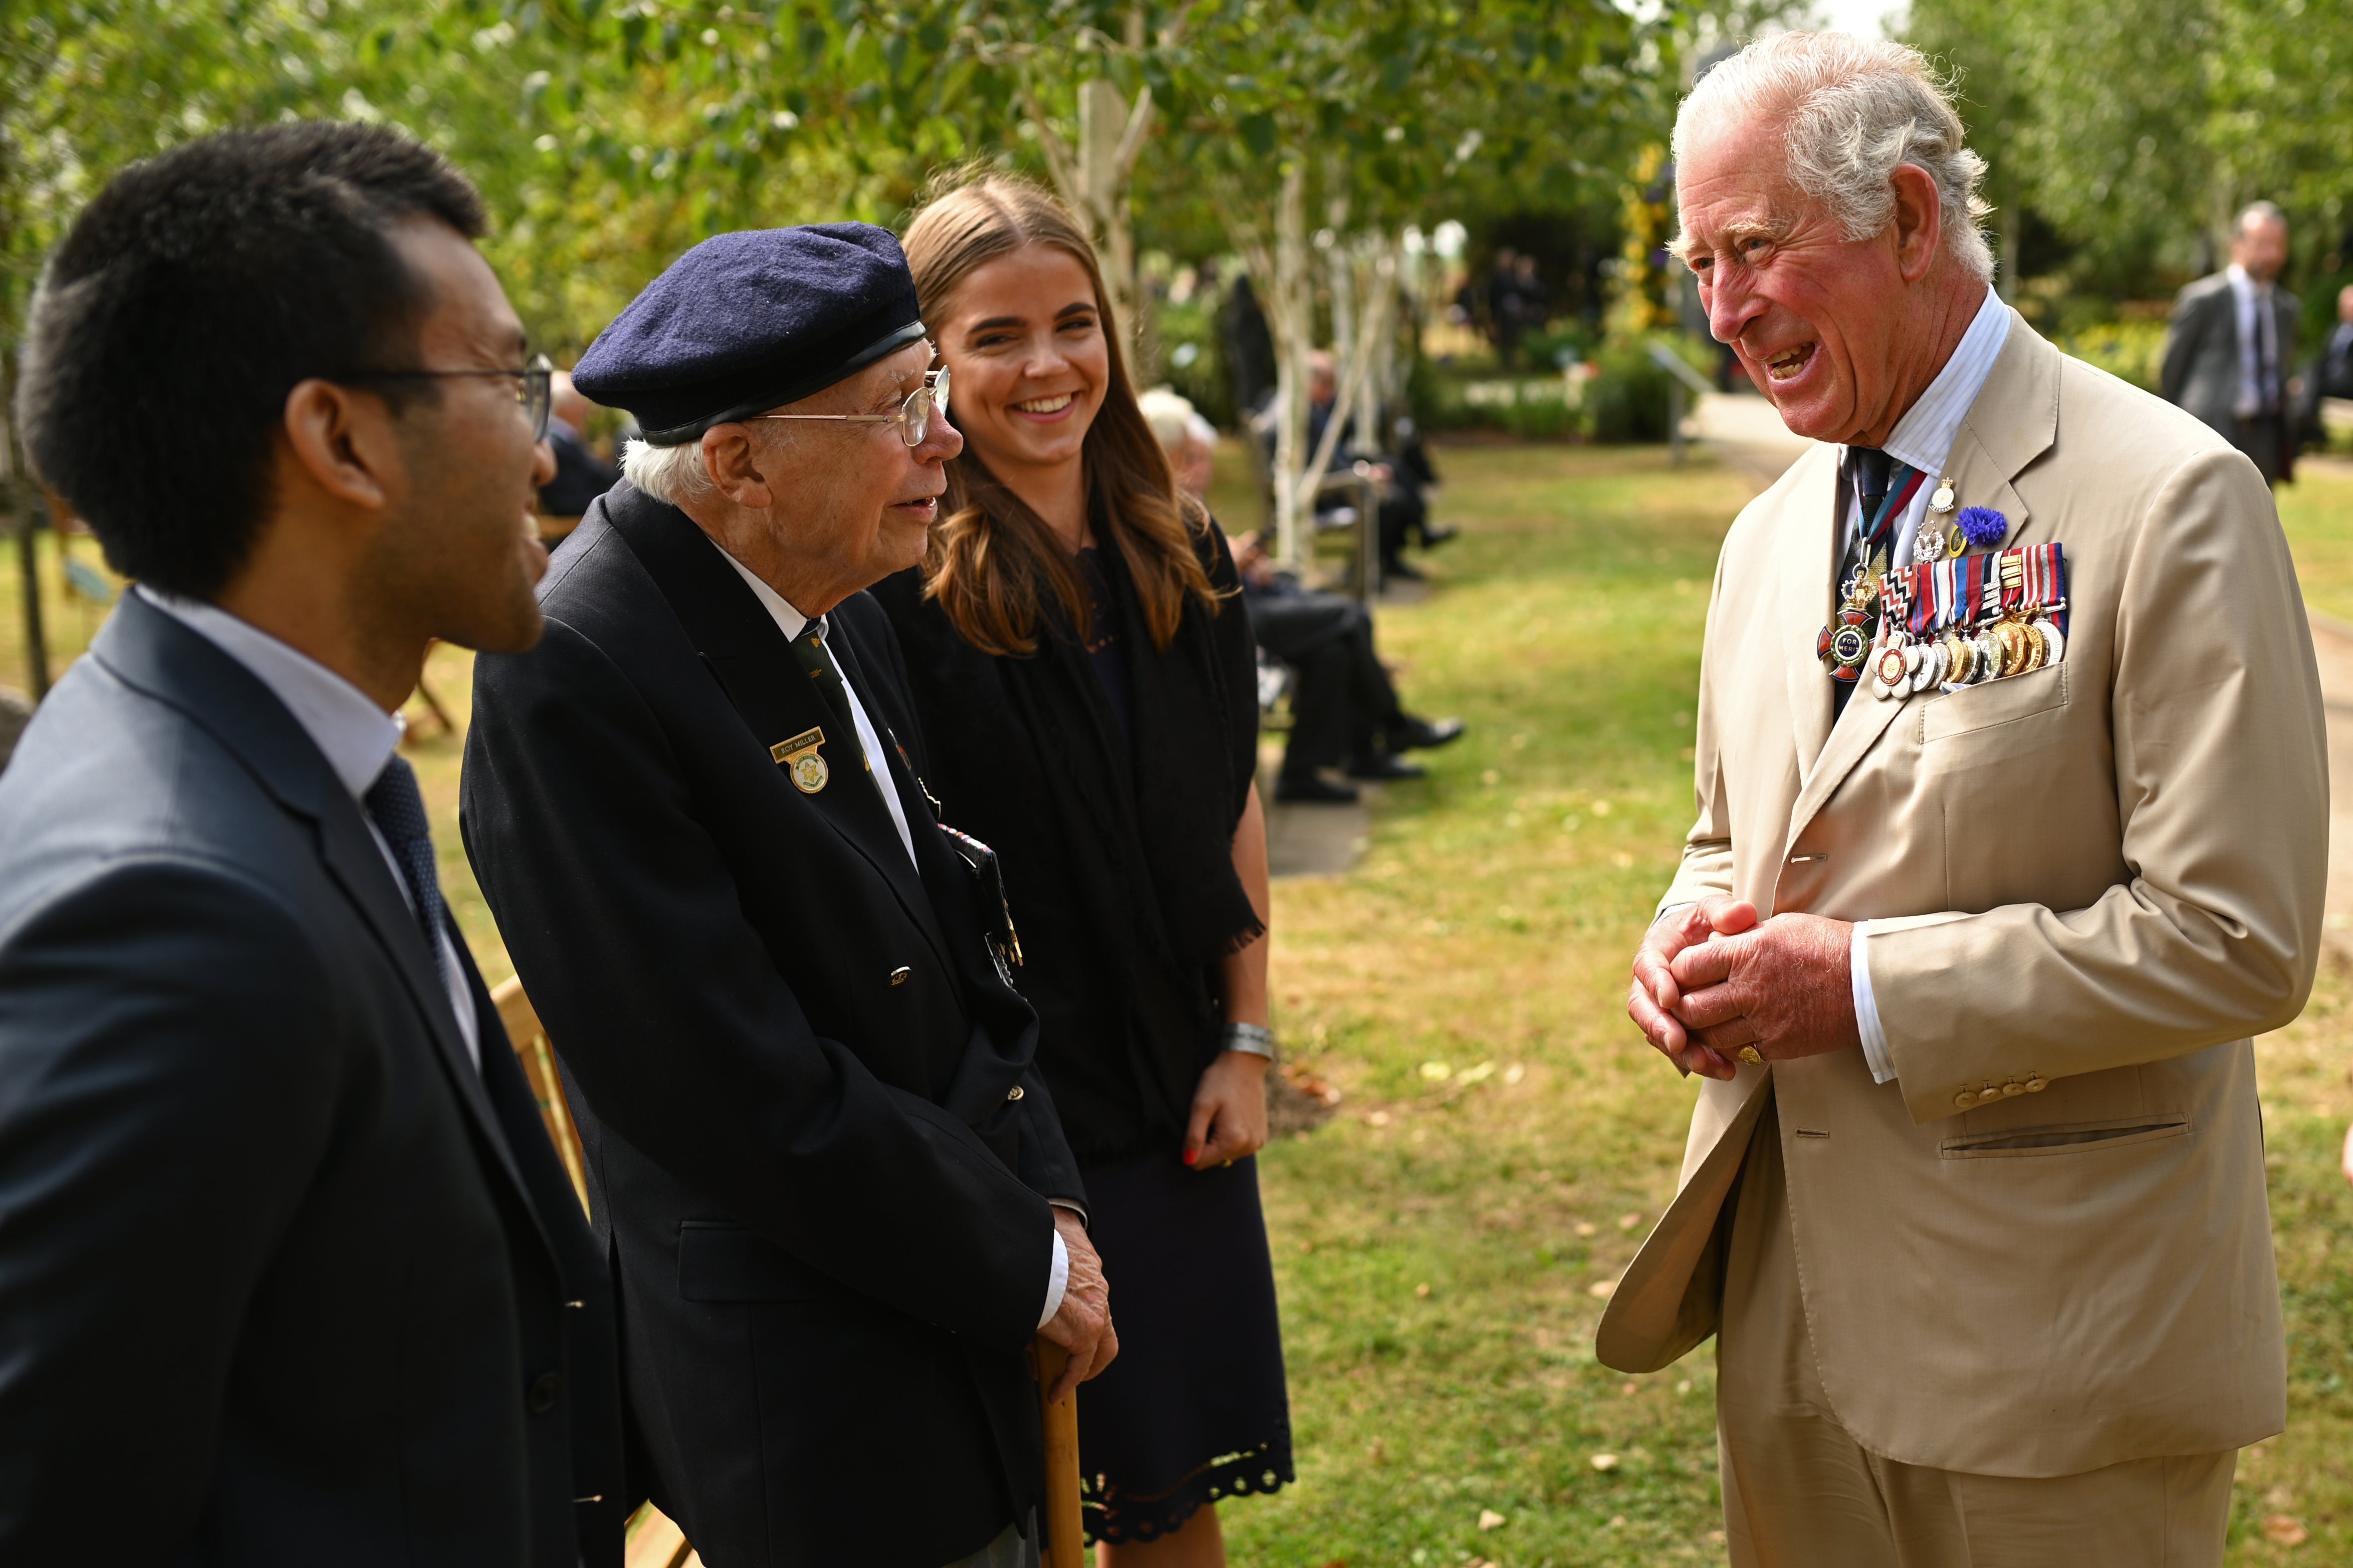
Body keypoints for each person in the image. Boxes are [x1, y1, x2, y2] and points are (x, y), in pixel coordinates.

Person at [1608, 34, 2324, 1566]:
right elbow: (1733, 831)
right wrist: (1684, 934)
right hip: (1788, 1319)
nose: (1721, 309)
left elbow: (2232, 934)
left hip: (2057, 1347)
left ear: (1911, 220)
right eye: (1697, 261)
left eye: (1753, 249)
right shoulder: (1769, 532)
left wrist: (1853, 985)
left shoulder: (2168, 497)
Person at [0, 123, 624, 1564]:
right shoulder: (173, 916)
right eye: (509, 378)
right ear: (338, 438)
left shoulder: (287, 748)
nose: (547, 448)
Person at [462, 222, 1112, 1568]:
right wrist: (1020, 1259)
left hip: (956, 1287)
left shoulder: (836, 584)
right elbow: (731, 1089)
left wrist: (1047, 1198)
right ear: (744, 456)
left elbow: (959, 926)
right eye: (899, 408)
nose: (945, 439)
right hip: (818, 1389)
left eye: (933, 389)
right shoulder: (574, 667)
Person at [878, 174, 1290, 1566]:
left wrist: (1248, 1035)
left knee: (1168, 1487)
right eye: (995, 336)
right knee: (1039, 1490)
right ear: (927, 357)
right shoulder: (905, 585)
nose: (1047, 365)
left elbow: (1231, 804)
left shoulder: (1182, 550)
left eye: (1073, 323)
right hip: (1015, 1113)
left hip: (1179, 1081)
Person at [1137, 388, 1463, 802]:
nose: (1198, 465)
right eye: (1187, 454)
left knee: (1333, 649)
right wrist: (1230, 559)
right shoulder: (1146, 499)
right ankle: (1393, 727)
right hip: (1225, 618)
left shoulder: (1168, 493)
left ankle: (1308, 772)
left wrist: (1236, 554)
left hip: (1241, 601)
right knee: (1349, 617)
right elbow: (1173, 579)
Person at [2162, 201, 2302, 485]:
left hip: (2265, 436)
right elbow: (2172, 371)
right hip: (2209, 431)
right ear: (2237, 245)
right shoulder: (2203, 300)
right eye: (2263, 244)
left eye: (2279, 245)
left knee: (2255, 523)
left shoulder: (2287, 308)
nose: (2273, 254)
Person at [537, 367, 621, 519]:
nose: (586, 409)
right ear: (567, 408)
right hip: (585, 527)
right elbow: (568, 502)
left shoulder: (565, 439)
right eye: (579, 402)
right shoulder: (555, 446)